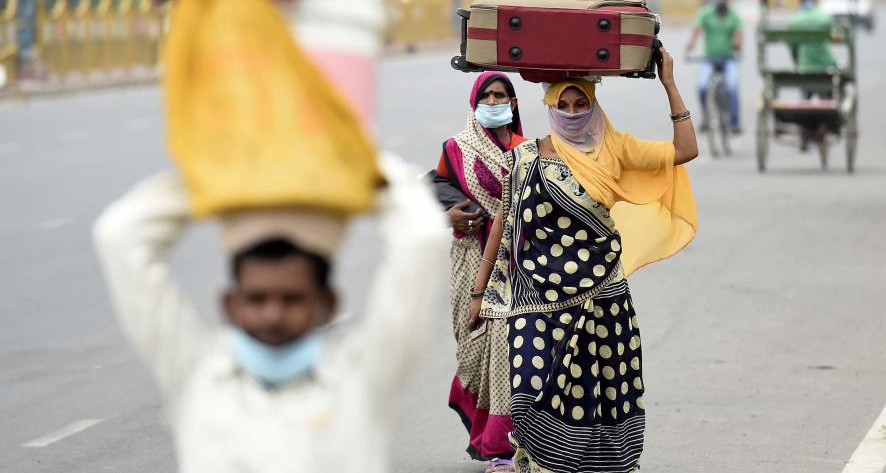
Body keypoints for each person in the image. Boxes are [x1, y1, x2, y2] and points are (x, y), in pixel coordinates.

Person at [94, 158, 448, 473]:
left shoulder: (362, 382)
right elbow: (120, 237)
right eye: (256, 299)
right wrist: (224, 169)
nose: (273, 315)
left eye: (293, 299)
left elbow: (421, 238)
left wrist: (351, 160)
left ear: (328, 303)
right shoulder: (195, 377)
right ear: (230, 304)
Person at [466, 49, 698, 473]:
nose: (572, 113)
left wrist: (669, 84)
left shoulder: (617, 148)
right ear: (549, 106)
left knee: (600, 395)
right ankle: (538, 461)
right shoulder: (525, 158)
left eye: (581, 104)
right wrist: (479, 294)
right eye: (563, 105)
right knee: (528, 392)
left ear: (593, 104)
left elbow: (686, 150)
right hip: (536, 298)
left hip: (601, 298)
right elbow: (503, 223)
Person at [431, 72, 525, 472]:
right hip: (469, 260)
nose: (493, 101)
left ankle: (501, 447)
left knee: (506, 351)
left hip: (516, 267)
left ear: (514, 103)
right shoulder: (457, 148)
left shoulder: (528, 151)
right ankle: (490, 434)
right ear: (475, 102)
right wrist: (451, 213)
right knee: (473, 350)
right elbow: (436, 185)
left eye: (500, 95)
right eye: (485, 95)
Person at [685, 0, 743, 134]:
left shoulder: (734, 15)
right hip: (710, 58)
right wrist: (691, 43)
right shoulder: (706, 13)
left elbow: (739, 33)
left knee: (731, 86)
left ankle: (734, 122)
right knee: (702, 86)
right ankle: (706, 117)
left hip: (728, 59)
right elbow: (697, 28)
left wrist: (737, 43)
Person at [789, 0, 836, 72]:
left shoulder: (795, 20)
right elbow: (835, 36)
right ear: (815, 1)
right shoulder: (825, 17)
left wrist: (796, 61)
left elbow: (793, 45)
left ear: (800, 2)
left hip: (805, 62)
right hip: (826, 61)